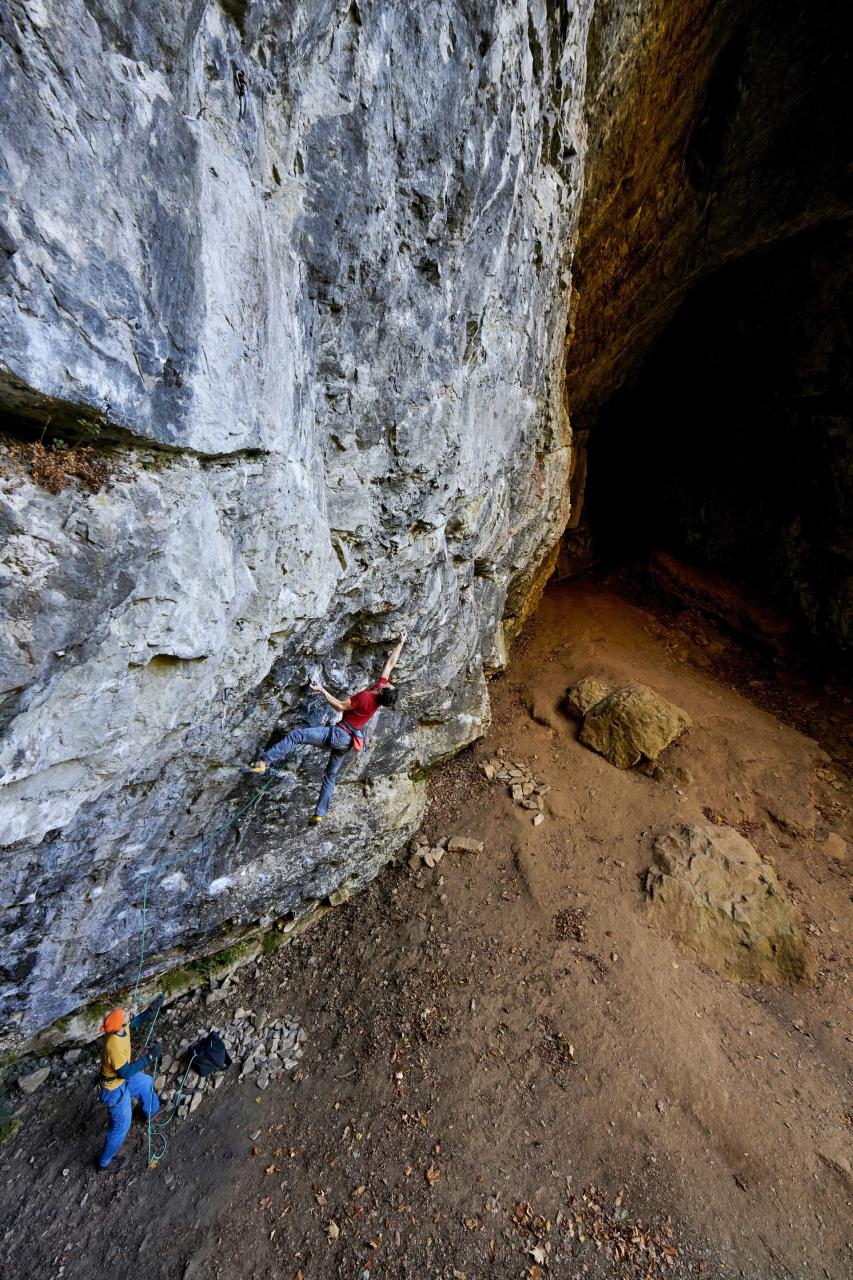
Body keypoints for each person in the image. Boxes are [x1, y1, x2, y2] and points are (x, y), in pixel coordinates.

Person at [245, 631, 407, 824]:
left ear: (382, 691)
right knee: (330, 775)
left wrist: (321, 689)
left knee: (297, 736)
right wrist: (400, 642)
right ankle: (319, 813)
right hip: (348, 742)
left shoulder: (365, 698)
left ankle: (264, 762)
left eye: (389, 685)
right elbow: (390, 664)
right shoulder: (380, 690)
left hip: (339, 734)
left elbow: (339, 706)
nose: (389, 682)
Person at [96, 997, 163, 1172]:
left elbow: (137, 1020)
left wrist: (151, 1009)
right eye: (125, 1015)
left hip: (122, 1079)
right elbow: (124, 1073)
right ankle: (105, 1163)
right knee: (120, 1127)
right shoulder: (113, 1046)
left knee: (146, 1082)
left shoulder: (121, 1027)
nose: (128, 1014)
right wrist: (149, 1058)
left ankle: (151, 1111)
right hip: (114, 1089)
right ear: (119, 1025)